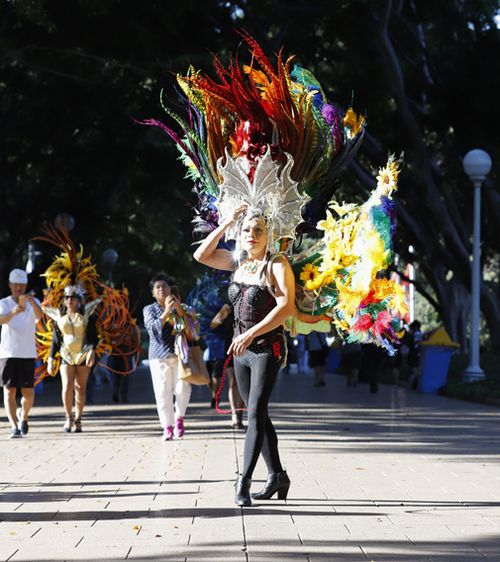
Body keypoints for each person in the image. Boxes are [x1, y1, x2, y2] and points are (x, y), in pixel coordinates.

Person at [194, 204, 295, 507]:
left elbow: (287, 307)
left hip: (266, 348)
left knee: (252, 413)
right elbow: (201, 255)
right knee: (258, 414)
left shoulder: (276, 264)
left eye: (258, 231)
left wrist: (250, 334)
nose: (252, 235)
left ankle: (244, 481)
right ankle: (277, 475)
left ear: (269, 235)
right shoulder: (238, 262)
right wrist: (226, 222)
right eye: (247, 230)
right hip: (241, 351)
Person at [44, 284, 100, 432]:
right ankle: (68, 417)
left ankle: (78, 418)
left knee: (80, 388)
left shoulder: (88, 314)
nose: (70, 300)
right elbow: (56, 340)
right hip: (65, 354)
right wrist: (50, 359)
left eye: (73, 298)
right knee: (67, 386)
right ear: (63, 300)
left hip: (83, 353)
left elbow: (94, 337)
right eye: (67, 297)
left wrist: (92, 351)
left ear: (79, 300)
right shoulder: (59, 316)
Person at [143, 274, 191, 441]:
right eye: (158, 288)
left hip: (180, 355)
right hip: (159, 357)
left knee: (183, 389)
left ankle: (179, 418)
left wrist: (177, 309)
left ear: (171, 289)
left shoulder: (182, 307)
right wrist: (165, 312)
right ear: (153, 293)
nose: (162, 289)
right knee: (163, 392)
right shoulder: (149, 309)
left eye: (164, 286)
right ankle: (167, 427)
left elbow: (191, 327)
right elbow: (152, 328)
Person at [0, 269, 43, 438]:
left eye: (22, 285)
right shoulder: (4, 303)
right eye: (15, 285)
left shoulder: (34, 301)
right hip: (8, 352)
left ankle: (23, 416)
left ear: (25, 286)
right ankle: (14, 426)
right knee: (9, 390)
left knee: (28, 392)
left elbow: (41, 318)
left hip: (27, 353)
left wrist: (33, 304)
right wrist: (13, 312)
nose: (18, 288)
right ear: (10, 285)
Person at [209, 302, 245, 429]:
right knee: (233, 381)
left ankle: (243, 413)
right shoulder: (227, 305)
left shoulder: (251, 300)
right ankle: (236, 416)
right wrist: (222, 314)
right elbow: (212, 325)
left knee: (246, 383)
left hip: (250, 345)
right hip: (231, 347)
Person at [406, 320, 423, 389]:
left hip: (414, 354)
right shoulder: (419, 334)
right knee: (413, 369)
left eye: (411, 328)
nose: (411, 329)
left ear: (415, 327)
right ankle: (412, 385)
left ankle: (420, 381)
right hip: (416, 354)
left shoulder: (417, 334)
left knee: (414, 369)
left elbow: (416, 345)